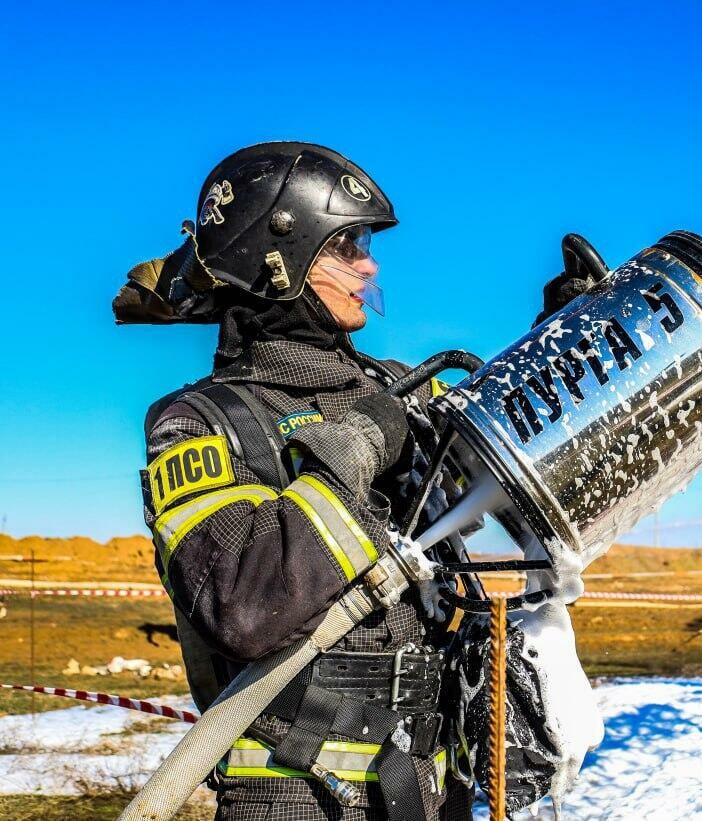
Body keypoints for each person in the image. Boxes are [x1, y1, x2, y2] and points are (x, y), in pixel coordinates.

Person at [113, 142, 595, 820]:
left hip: (433, 791)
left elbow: (502, 489)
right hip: (296, 800)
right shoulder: (200, 422)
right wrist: (364, 443)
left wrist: (571, 359)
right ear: (276, 260)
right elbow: (242, 604)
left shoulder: (393, 388)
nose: (369, 265)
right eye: (346, 246)